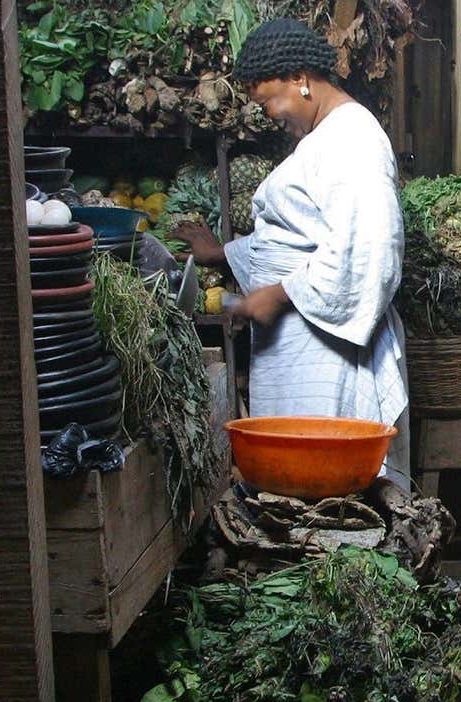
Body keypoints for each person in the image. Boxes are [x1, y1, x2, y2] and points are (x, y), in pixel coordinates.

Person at [174, 18, 410, 486]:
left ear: (301, 78)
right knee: (298, 482)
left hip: (330, 352)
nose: (269, 115)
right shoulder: (325, 137)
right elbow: (303, 229)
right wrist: (223, 254)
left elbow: (368, 250)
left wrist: (277, 294)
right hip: (304, 344)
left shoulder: (353, 140)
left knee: (327, 483)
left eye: (268, 101)